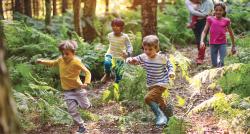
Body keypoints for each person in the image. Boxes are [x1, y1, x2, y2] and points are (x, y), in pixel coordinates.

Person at [37, 40, 91, 133]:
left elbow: (87, 72)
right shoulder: (60, 60)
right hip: (67, 91)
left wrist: (86, 83)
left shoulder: (76, 62)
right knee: (72, 110)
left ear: (73, 53)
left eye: (67, 54)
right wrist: (42, 61)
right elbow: (52, 63)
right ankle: (81, 126)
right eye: (63, 54)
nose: (64, 56)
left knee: (85, 107)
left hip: (78, 89)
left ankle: (87, 104)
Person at [126, 35, 175, 126]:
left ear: (156, 48)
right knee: (158, 101)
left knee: (148, 98)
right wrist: (129, 60)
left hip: (161, 83)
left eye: (150, 49)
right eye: (145, 49)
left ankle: (160, 116)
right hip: (151, 84)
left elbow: (169, 65)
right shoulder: (143, 57)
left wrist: (171, 72)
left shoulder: (161, 57)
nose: (147, 51)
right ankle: (168, 116)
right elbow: (135, 60)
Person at [200, 2, 236, 67]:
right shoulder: (210, 19)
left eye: (220, 10)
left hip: (222, 44)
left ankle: (222, 75)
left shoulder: (226, 21)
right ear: (214, 10)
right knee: (214, 64)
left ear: (223, 11)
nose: (218, 12)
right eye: (216, 10)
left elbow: (231, 33)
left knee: (223, 62)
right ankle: (216, 72)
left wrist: (233, 46)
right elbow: (204, 31)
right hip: (212, 44)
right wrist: (202, 41)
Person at [101, 18, 133, 83]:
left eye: (117, 26)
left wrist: (128, 53)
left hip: (120, 57)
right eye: (113, 26)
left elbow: (129, 46)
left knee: (119, 75)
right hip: (110, 54)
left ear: (121, 28)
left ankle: (117, 89)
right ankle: (107, 74)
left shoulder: (125, 37)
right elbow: (111, 44)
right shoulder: (109, 35)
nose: (115, 27)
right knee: (107, 63)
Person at [185, 0, 214, 64]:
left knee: (202, 39)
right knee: (198, 40)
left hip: (205, 22)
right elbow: (192, 12)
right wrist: (203, 14)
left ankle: (200, 58)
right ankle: (201, 54)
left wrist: (206, 15)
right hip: (195, 22)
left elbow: (210, 13)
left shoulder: (208, 2)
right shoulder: (189, 1)